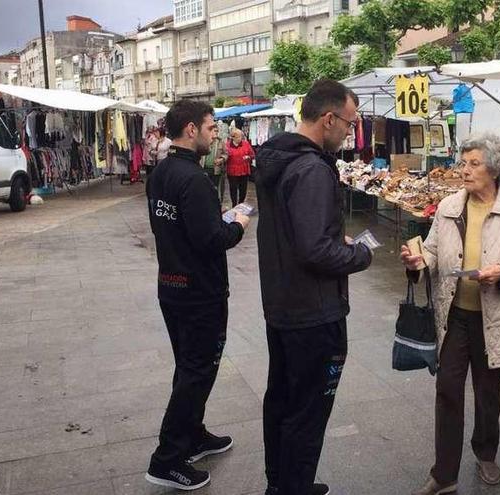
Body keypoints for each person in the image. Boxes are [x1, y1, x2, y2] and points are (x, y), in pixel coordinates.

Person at [400, 134, 500, 495]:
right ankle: (444, 473)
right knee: (448, 390)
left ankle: (486, 452)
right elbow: (434, 252)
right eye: (462, 163)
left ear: (495, 168)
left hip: (497, 319)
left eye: (473, 164)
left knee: (489, 392)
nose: (464, 170)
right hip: (455, 316)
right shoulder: (449, 206)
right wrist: (419, 261)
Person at [254, 79, 374, 495]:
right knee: (308, 409)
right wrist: (360, 255)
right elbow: (314, 251)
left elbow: (296, 235)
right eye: (349, 123)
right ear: (328, 118)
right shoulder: (311, 168)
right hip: (313, 312)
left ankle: (283, 484)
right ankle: (293, 486)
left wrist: (324, 238)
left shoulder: (279, 158)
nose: (351, 132)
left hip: (284, 304)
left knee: (283, 401)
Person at [144, 100, 251, 491]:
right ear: (191, 129)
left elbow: (169, 230)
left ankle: (192, 435)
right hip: (198, 293)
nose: (215, 134)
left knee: (188, 367)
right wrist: (237, 223)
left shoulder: (160, 174)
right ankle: (168, 458)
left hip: (171, 286)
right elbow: (211, 239)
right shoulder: (194, 179)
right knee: (196, 371)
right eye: (210, 127)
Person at [225, 128, 255, 207]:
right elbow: (225, 156)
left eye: (241, 136)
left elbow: (252, 155)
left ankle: (241, 204)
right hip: (232, 171)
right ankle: (234, 205)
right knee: (233, 189)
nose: (240, 138)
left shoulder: (246, 144)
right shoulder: (227, 145)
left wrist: (248, 157)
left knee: (243, 190)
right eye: (238, 137)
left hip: (243, 170)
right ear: (233, 137)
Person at [200, 124, 228, 202]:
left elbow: (226, 154)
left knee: (215, 189)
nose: (216, 132)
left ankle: (214, 204)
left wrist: (221, 159)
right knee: (204, 188)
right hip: (203, 169)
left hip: (216, 170)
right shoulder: (204, 141)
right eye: (214, 131)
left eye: (217, 131)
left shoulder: (220, 142)